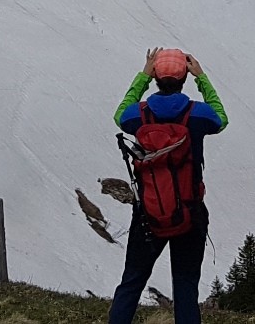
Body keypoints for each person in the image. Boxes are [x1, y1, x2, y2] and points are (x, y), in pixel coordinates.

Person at [109, 47, 227, 324]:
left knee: (133, 280)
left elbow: (119, 115)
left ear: (156, 78)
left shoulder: (138, 116)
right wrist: (202, 77)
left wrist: (142, 75)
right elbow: (221, 118)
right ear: (184, 78)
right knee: (185, 284)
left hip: (149, 213)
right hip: (189, 211)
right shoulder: (197, 115)